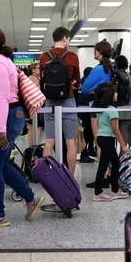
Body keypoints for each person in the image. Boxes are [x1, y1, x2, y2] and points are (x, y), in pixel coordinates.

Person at [0, 27, 44, 228]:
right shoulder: (3, 62)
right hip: (9, 117)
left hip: (0, 118)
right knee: (2, 165)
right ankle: (30, 199)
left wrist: (0, 129)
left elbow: (3, 97)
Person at [39, 27, 81, 175]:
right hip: (68, 100)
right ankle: (70, 177)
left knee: (49, 140)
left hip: (50, 101)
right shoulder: (72, 56)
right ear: (64, 38)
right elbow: (77, 81)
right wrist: (73, 84)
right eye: (69, 39)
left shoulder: (44, 56)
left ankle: (50, 176)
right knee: (70, 141)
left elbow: (42, 79)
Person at [82, 41, 114, 189]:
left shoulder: (99, 69)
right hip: (109, 107)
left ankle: (101, 177)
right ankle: (108, 174)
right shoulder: (110, 69)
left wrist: (91, 90)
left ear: (100, 52)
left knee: (99, 142)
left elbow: (85, 88)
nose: (94, 54)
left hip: (97, 107)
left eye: (95, 51)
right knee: (108, 141)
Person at [91, 82, 131, 202]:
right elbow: (115, 129)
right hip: (108, 139)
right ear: (109, 95)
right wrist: (123, 146)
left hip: (101, 138)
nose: (117, 94)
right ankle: (98, 193)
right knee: (104, 165)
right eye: (114, 92)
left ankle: (115, 189)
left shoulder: (100, 109)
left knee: (115, 163)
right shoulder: (112, 110)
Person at [115, 56, 131, 148]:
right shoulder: (129, 77)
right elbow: (130, 91)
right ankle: (123, 154)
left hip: (114, 107)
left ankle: (113, 154)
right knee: (124, 132)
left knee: (113, 131)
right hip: (125, 107)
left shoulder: (114, 74)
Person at [77, 66, 95, 162]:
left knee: (89, 130)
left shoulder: (80, 82)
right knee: (88, 131)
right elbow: (90, 96)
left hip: (79, 110)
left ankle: (90, 149)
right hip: (87, 110)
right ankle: (84, 154)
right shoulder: (89, 84)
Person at [26, 62, 44, 148]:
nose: (40, 70)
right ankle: (35, 147)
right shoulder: (33, 79)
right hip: (36, 105)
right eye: (38, 68)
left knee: (33, 126)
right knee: (37, 127)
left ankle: (33, 147)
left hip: (33, 106)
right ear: (33, 70)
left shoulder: (33, 78)